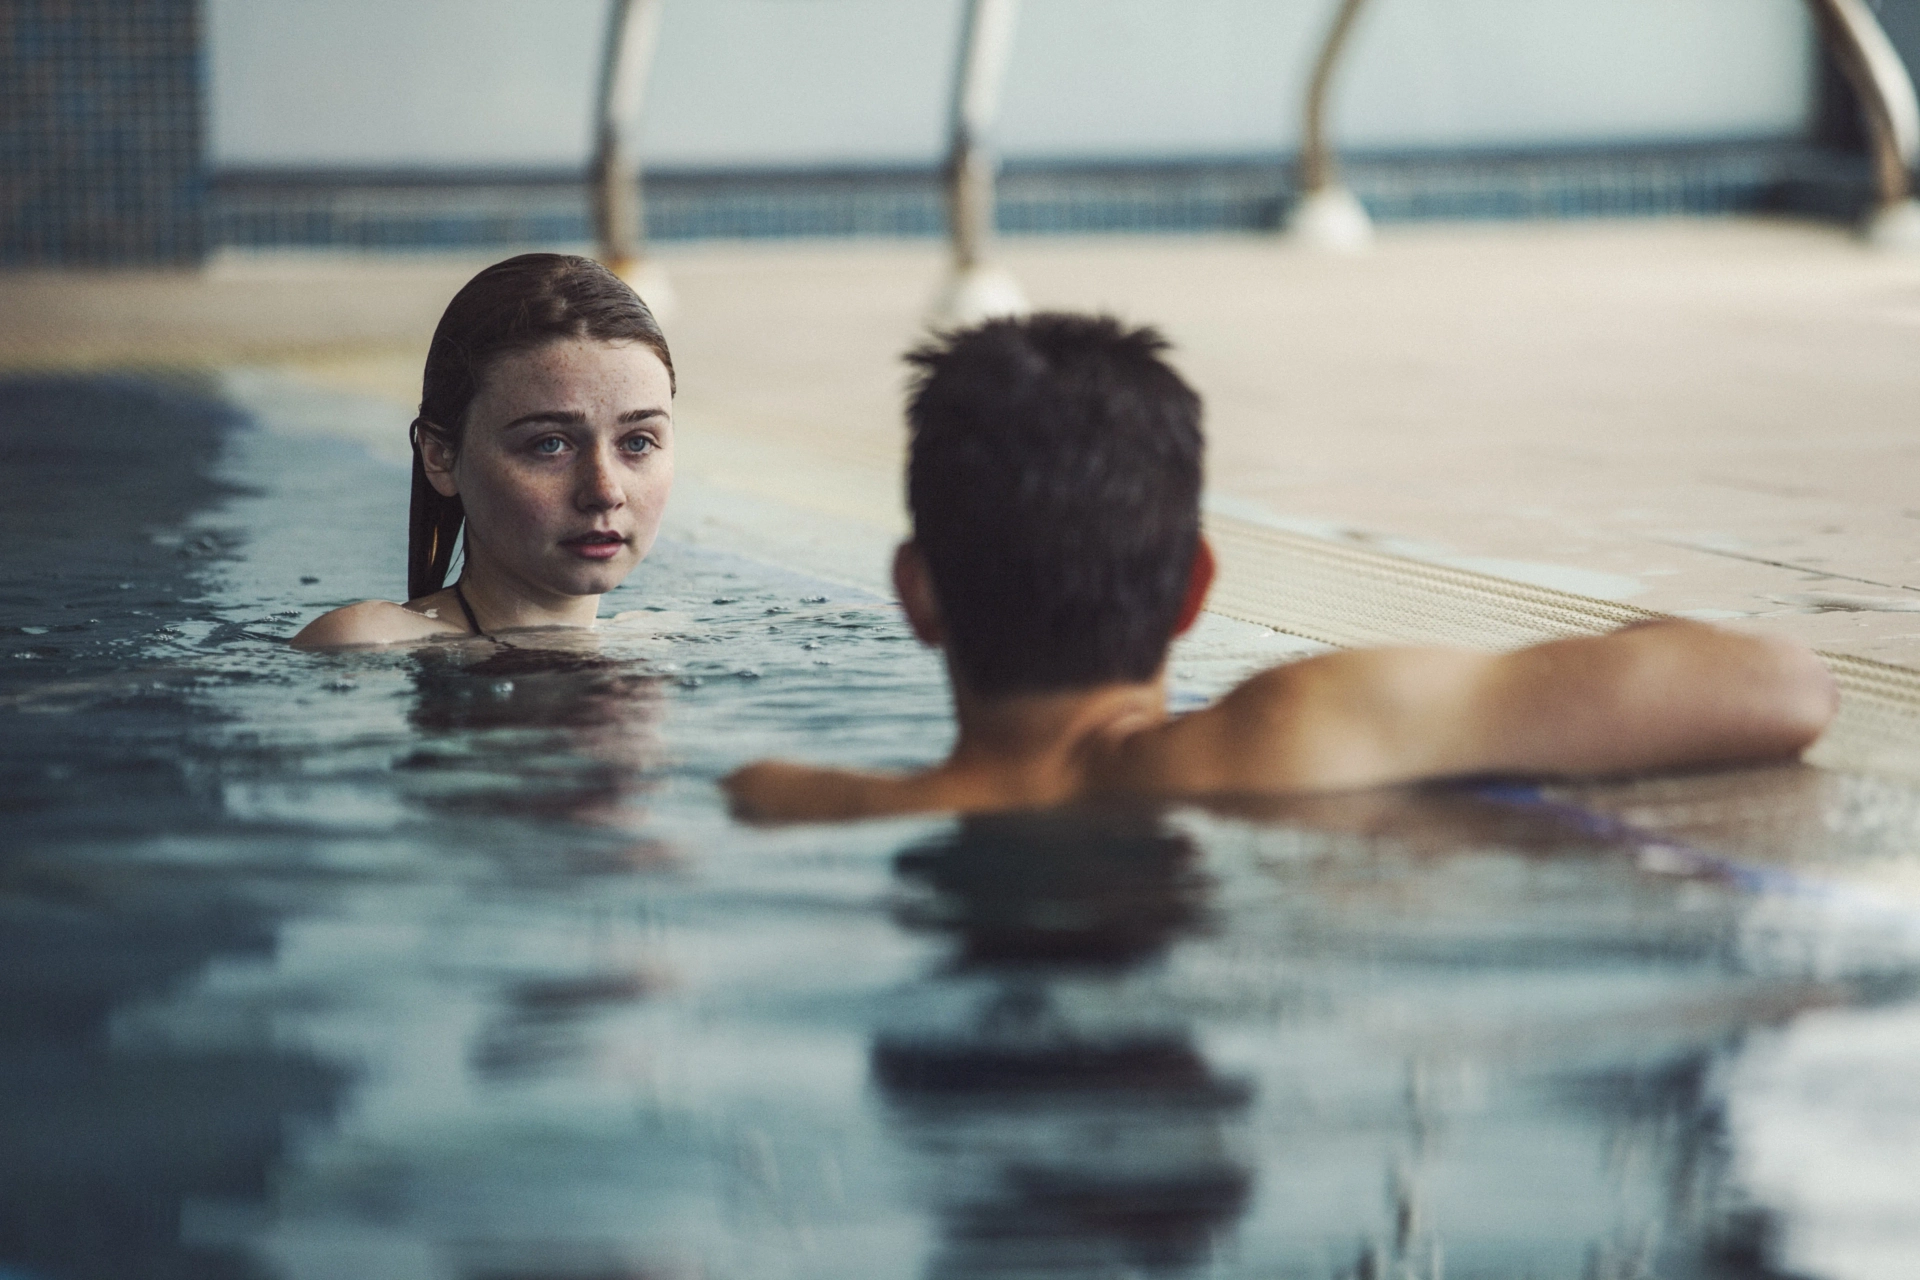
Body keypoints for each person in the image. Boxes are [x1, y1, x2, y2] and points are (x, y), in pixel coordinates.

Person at [724, 314, 1837, 821]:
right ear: (1196, 585)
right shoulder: (1300, 730)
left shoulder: (793, 801)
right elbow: (1782, 687)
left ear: (916, 591)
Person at [292, 253, 675, 648]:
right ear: (439, 456)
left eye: (637, 442)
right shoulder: (367, 642)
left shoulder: (655, 641)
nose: (605, 492)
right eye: (550, 445)